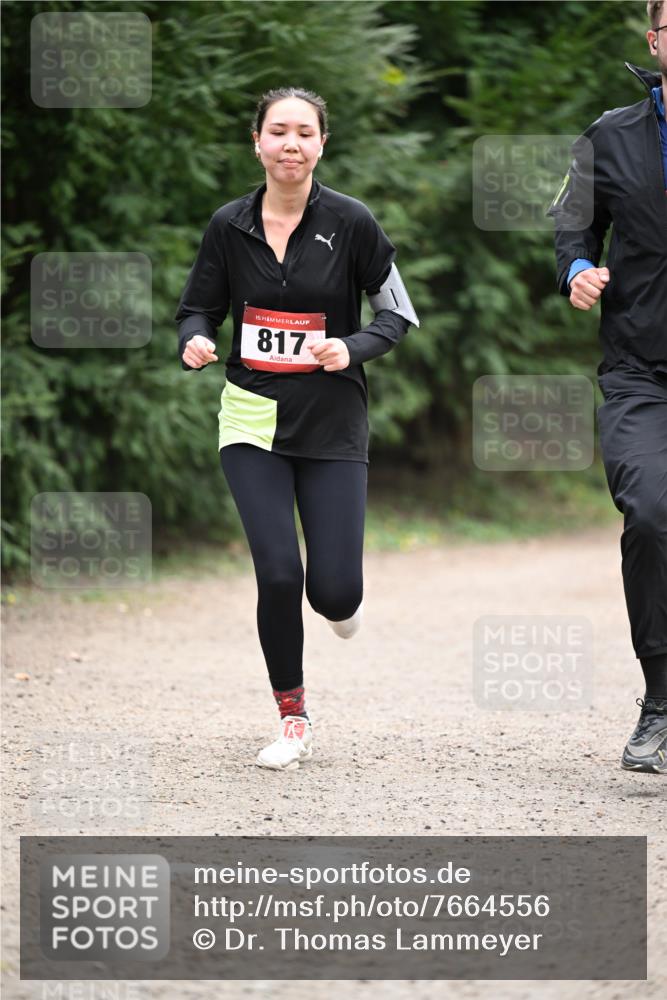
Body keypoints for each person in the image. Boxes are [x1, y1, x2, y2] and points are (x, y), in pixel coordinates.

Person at [174, 87, 419, 772]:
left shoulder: (351, 222)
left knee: (333, 592)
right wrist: (195, 342)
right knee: (278, 572)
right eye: (277, 131)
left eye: (303, 133)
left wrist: (353, 347)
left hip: (332, 421)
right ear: (256, 142)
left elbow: (395, 313)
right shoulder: (229, 225)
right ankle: (291, 717)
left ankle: (342, 601)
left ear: (320, 145)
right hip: (250, 419)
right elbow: (197, 309)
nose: (290, 144)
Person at [548, 1, 667, 774]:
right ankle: (659, 700)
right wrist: (575, 269)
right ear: (654, 40)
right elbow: (572, 225)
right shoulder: (610, 134)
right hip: (638, 369)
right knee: (652, 513)